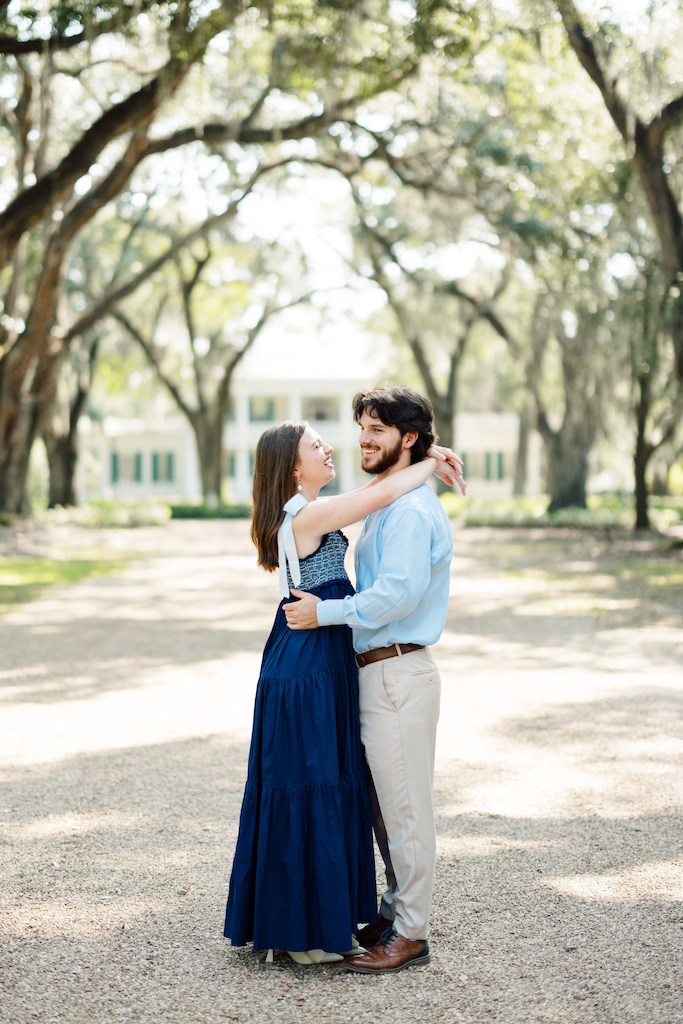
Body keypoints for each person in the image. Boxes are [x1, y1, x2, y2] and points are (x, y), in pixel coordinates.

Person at [224, 416, 462, 966]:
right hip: (309, 657)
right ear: (292, 465)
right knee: (310, 780)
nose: (328, 446)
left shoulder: (307, 512)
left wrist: (423, 455)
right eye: (315, 444)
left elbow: (382, 494)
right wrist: (429, 458)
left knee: (324, 780)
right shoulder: (307, 513)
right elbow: (379, 491)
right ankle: (304, 927)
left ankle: (315, 919)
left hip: (320, 654)